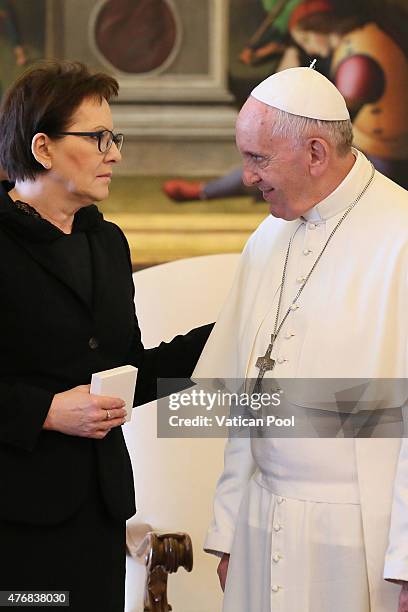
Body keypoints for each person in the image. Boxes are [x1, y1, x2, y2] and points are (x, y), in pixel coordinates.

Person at [193, 67, 408, 611]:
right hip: (260, 519)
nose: (245, 177)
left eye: (258, 158)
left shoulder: (401, 237)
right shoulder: (268, 235)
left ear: (315, 153)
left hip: (359, 534)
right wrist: (228, 526)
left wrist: (406, 561)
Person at [0, 60, 212, 612]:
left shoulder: (108, 243)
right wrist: (43, 410)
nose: (114, 153)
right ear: (42, 147)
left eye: (113, 137)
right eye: (97, 138)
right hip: (17, 520)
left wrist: (230, 336)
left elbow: (124, 373)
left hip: (100, 510)